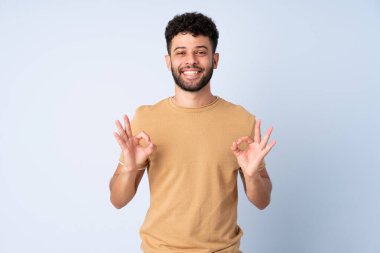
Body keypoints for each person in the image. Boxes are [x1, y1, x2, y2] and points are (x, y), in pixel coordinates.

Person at [109, 12, 276, 253]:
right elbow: (118, 200)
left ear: (215, 59)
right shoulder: (145, 119)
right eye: (181, 52)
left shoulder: (242, 120)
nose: (191, 61)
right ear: (168, 61)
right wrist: (128, 168)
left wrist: (252, 177)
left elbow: (263, 201)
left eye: (200, 51)